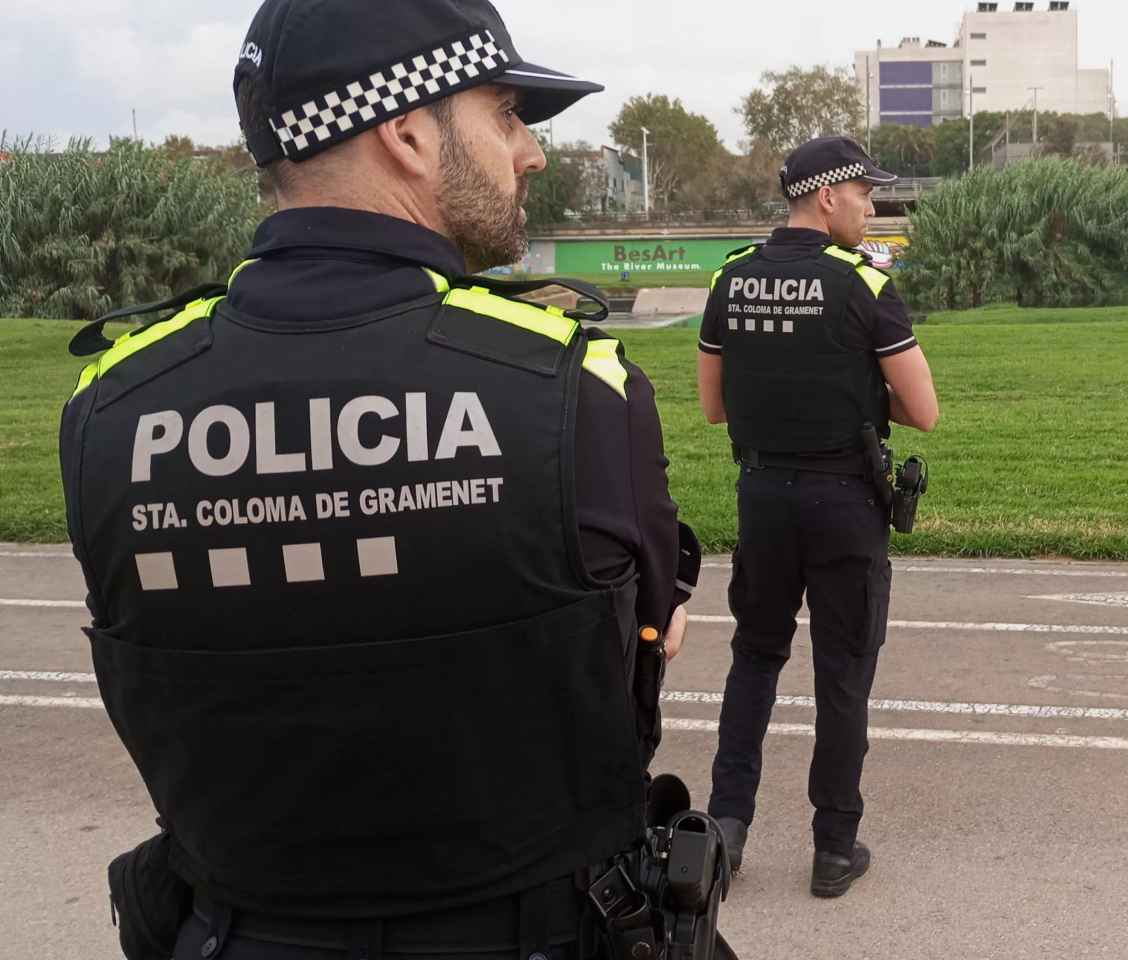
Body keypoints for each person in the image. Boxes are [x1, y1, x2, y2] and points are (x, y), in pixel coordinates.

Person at [59, 1, 694, 957]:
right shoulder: (575, 386)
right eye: (506, 115)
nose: (531, 153)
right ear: (406, 133)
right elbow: (648, 638)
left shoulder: (110, 401)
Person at [695, 137, 940, 898]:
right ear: (827, 195)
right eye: (865, 193)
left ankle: (725, 833)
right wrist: (860, 399)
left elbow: (713, 406)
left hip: (763, 498)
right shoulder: (863, 282)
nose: (872, 207)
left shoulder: (731, 276)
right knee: (842, 675)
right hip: (843, 502)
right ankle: (834, 848)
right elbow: (923, 412)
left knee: (755, 659)